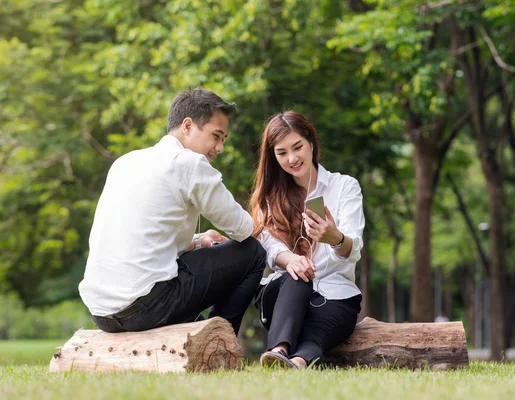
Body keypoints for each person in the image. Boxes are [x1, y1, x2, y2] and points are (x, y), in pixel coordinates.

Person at [79, 87, 266, 335]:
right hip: (145, 305)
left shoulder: (125, 162)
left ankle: (199, 332)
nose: (220, 147)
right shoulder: (189, 163)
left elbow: (146, 240)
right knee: (253, 253)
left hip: (101, 312)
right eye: (216, 136)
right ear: (187, 126)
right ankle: (221, 340)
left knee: (187, 288)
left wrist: (199, 240)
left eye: (223, 139)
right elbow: (244, 229)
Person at [249, 110, 364, 369]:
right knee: (297, 274)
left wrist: (334, 237)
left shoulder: (344, 187)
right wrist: (292, 259)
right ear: (273, 157)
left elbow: (353, 247)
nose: (292, 158)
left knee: (326, 324)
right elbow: (267, 244)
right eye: (282, 153)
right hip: (283, 298)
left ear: (311, 142)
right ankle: (278, 348)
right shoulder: (269, 198)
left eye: (297, 147)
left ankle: (297, 362)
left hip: (334, 295)